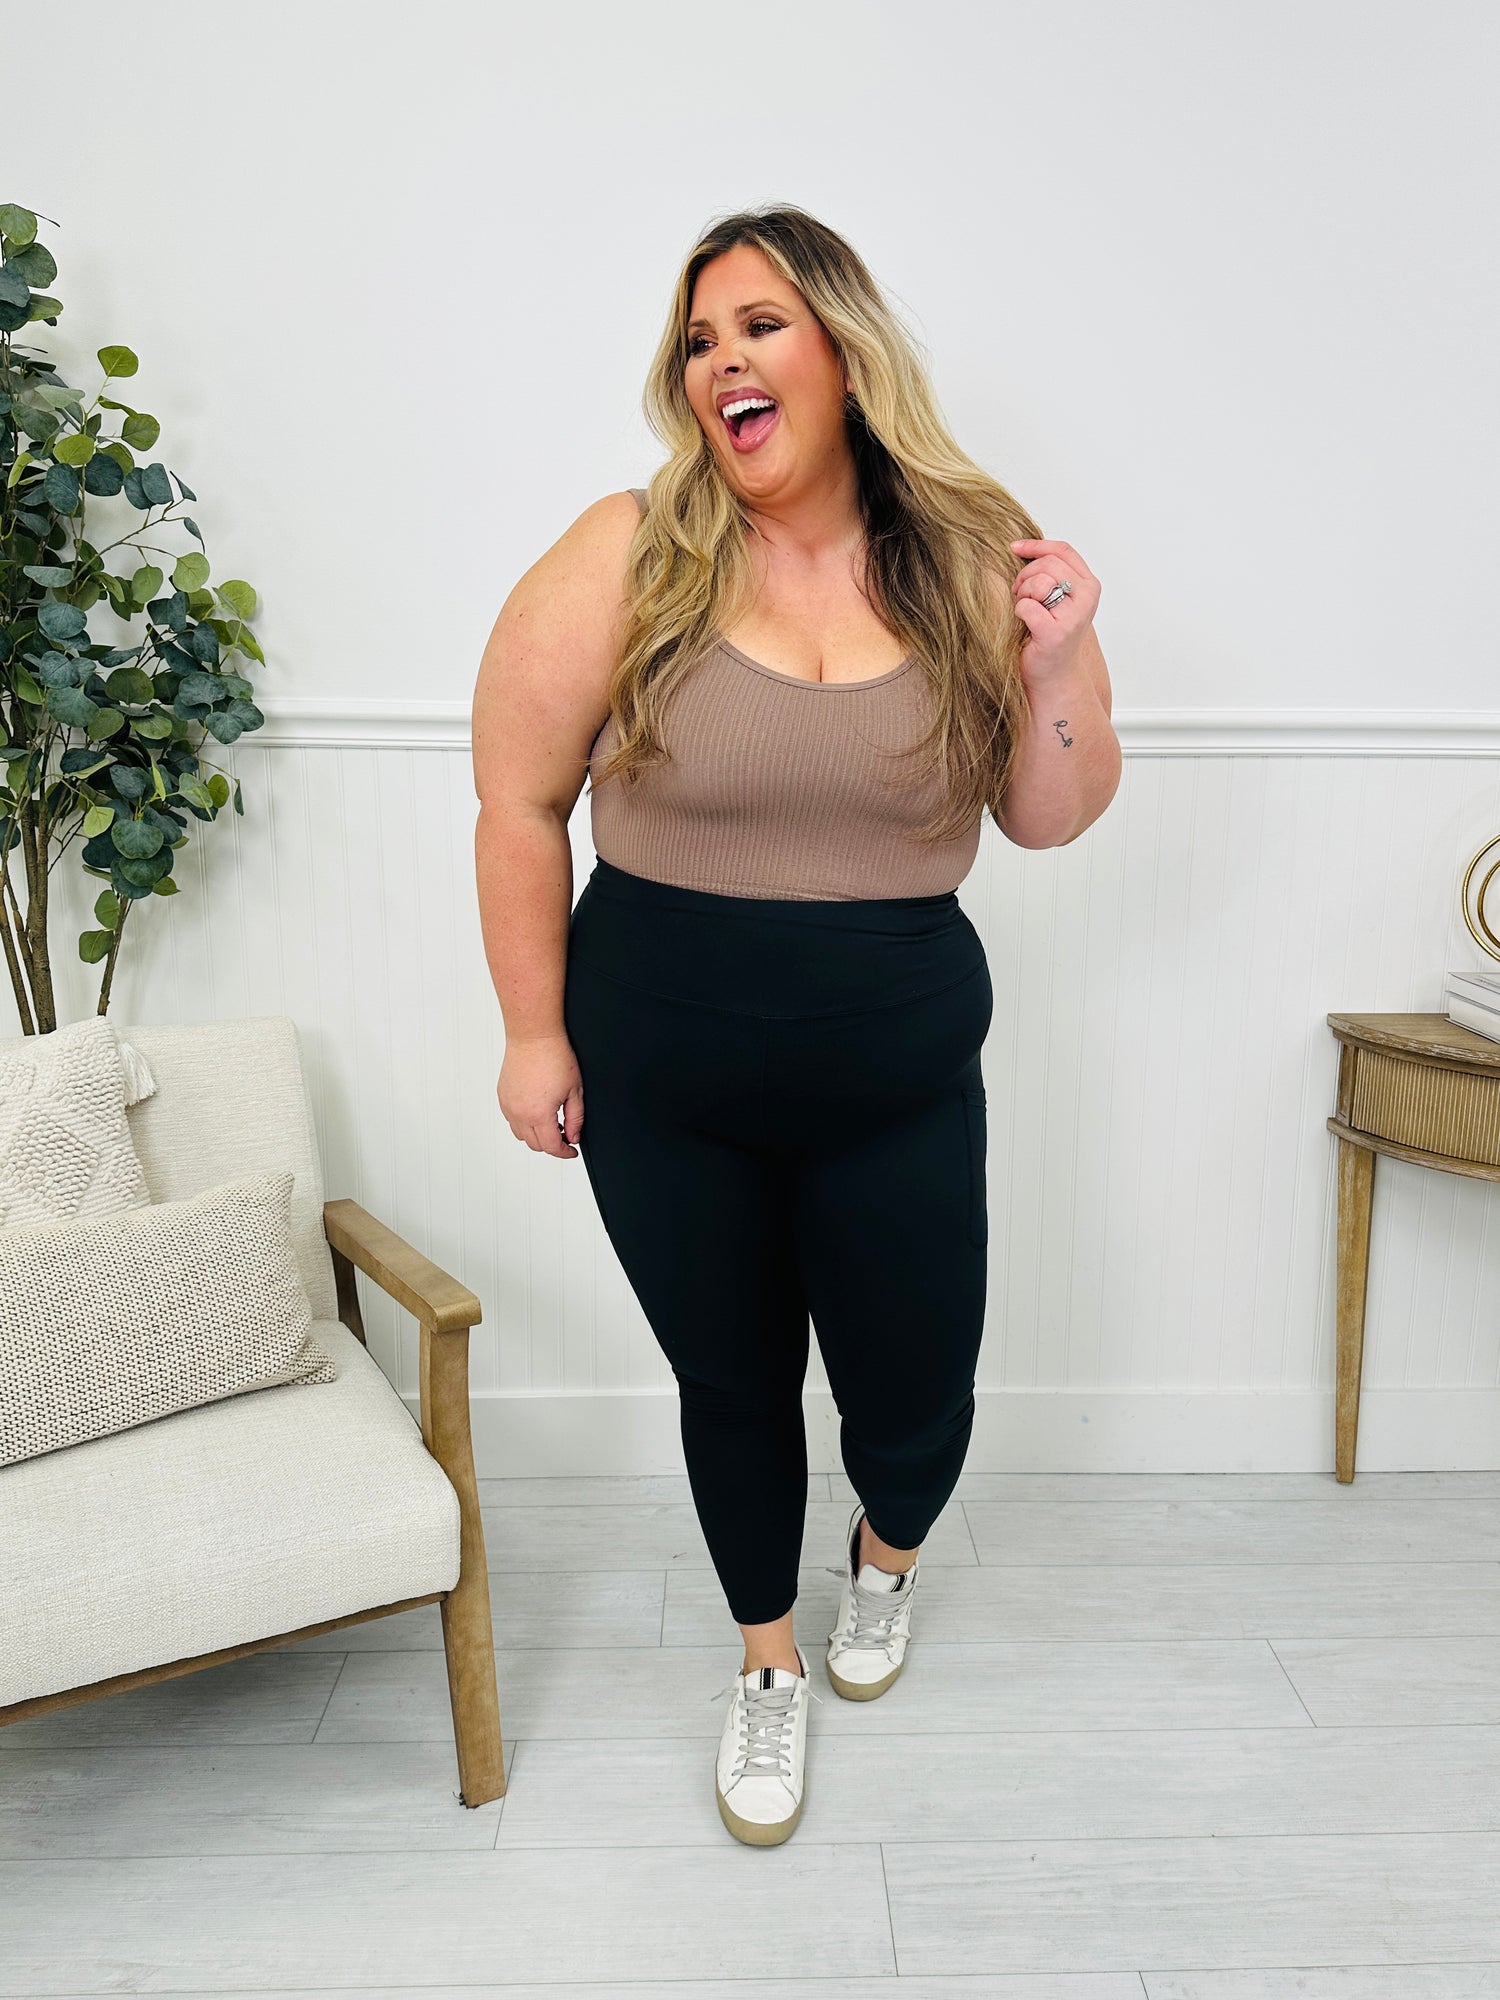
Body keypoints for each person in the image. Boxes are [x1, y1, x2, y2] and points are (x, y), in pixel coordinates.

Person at [471, 203, 1120, 1847]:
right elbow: (517, 799)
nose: (722, 363)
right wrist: (533, 1035)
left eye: (757, 325)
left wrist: (1062, 662)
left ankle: (883, 1560)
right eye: (699, 340)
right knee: (734, 1378)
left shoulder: (972, 551)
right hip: (662, 1074)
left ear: (843, 348)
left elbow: (1046, 818)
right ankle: (766, 1661)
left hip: (897, 1072)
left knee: (920, 1389)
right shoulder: (633, 549)